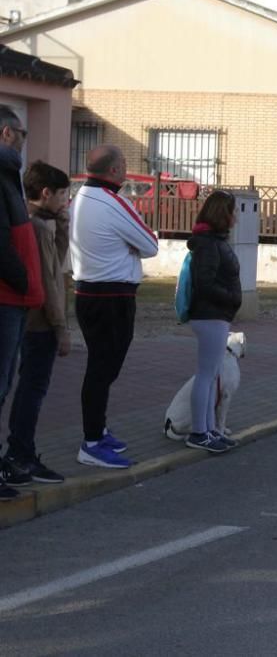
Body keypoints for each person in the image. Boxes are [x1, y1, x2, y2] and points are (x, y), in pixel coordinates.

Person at [70, 144, 159, 468]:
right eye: (123, 163)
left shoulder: (79, 198)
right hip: (112, 297)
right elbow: (149, 245)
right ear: (115, 170)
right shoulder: (112, 202)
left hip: (88, 293)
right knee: (103, 368)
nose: (125, 168)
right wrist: (130, 250)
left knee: (101, 366)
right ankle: (91, 441)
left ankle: (98, 429)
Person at [3, 162, 71, 485]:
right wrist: (61, 327)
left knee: (29, 387)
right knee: (33, 388)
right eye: (61, 195)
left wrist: (64, 224)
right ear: (45, 193)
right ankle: (21, 452)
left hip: (31, 319)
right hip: (40, 322)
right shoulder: (39, 228)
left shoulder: (41, 223)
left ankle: (20, 450)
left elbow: (58, 260)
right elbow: (49, 279)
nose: (65, 201)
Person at [0, 107, 44, 499]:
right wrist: (24, 278)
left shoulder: (8, 172)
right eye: (23, 133)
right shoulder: (2, 171)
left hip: (14, 296)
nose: (25, 141)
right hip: (6, 295)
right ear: (6, 133)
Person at [183, 191, 242, 453]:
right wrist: (230, 298)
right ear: (223, 214)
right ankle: (199, 432)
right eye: (233, 211)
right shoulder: (208, 244)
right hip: (210, 315)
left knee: (210, 375)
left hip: (215, 315)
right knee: (206, 376)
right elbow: (205, 283)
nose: (236, 216)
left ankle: (209, 430)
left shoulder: (212, 241)